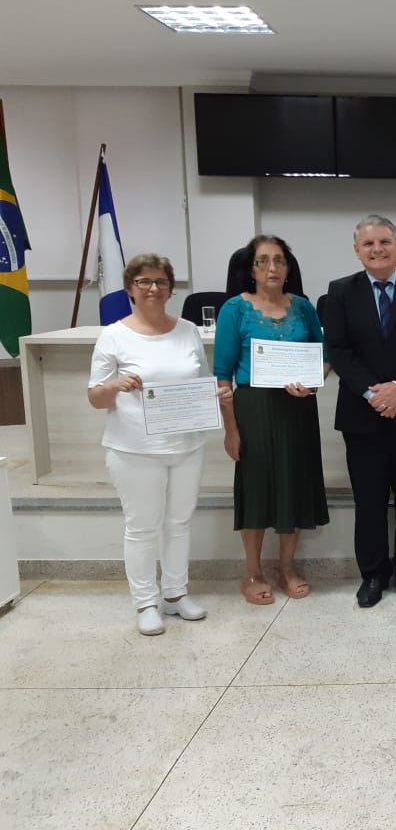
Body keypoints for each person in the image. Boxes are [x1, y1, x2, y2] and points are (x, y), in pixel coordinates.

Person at [88, 253, 232, 635]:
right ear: (130, 289)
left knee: (179, 523)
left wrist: (215, 396)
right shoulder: (114, 335)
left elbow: (203, 380)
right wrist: (113, 386)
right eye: (144, 282)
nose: (153, 289)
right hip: (133, 449)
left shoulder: (187, 330)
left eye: (161, 282)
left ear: (170, 289)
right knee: (142, 527)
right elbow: (95, 397)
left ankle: (174, 594)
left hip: (186, 445)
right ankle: (145, 602)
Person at [324, 216, 396, 607]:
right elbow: (339, 350)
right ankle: (373, 574)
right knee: (369, 500)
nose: (377, 249)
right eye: (368, 243)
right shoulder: (340, 292)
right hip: (363, 415)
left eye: (384, 242)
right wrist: (375, 393)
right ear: (357, 250)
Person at [214, 235, 329, 605]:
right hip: (253, 410)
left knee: (294, 486)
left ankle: (287, 567)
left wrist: (313, 384)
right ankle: (252, 571)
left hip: (298, 410)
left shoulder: (304, 307)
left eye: (279, 261)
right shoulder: (234, 309)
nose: (272, 268)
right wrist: (231, 430)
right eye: (263, 261)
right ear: (250, 269)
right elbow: (223, 376)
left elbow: (323, 358)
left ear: (289, 267)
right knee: (257, 489)